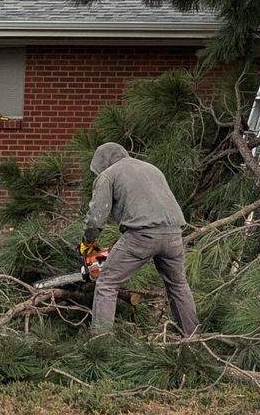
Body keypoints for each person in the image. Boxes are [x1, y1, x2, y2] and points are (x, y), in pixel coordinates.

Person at [83, 139, 200, 337]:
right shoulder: (151, 169)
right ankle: (193, 338)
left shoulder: (108, 175)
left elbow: (95, 219)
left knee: (107, 284)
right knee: (178, 284)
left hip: (141, 235)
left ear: (102, 164)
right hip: (174, 234)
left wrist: (88, 242)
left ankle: (100, 345)